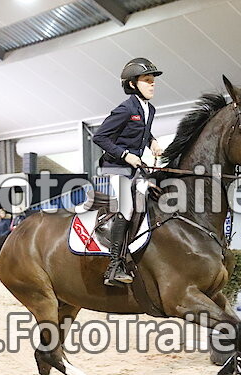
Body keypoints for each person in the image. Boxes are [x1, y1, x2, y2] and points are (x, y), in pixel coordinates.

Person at [92, 57, 164, 286]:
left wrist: (152, 141)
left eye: (153, 80)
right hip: (116, 166)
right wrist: (124, 154)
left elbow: (142, 131)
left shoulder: (149, 109)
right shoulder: (125, 109)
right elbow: (99, 137)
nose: (152, 84)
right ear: (133, 84)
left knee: (154, 195)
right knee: (127, 206)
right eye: (147, 80)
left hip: (135, 167)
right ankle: (114, 266)